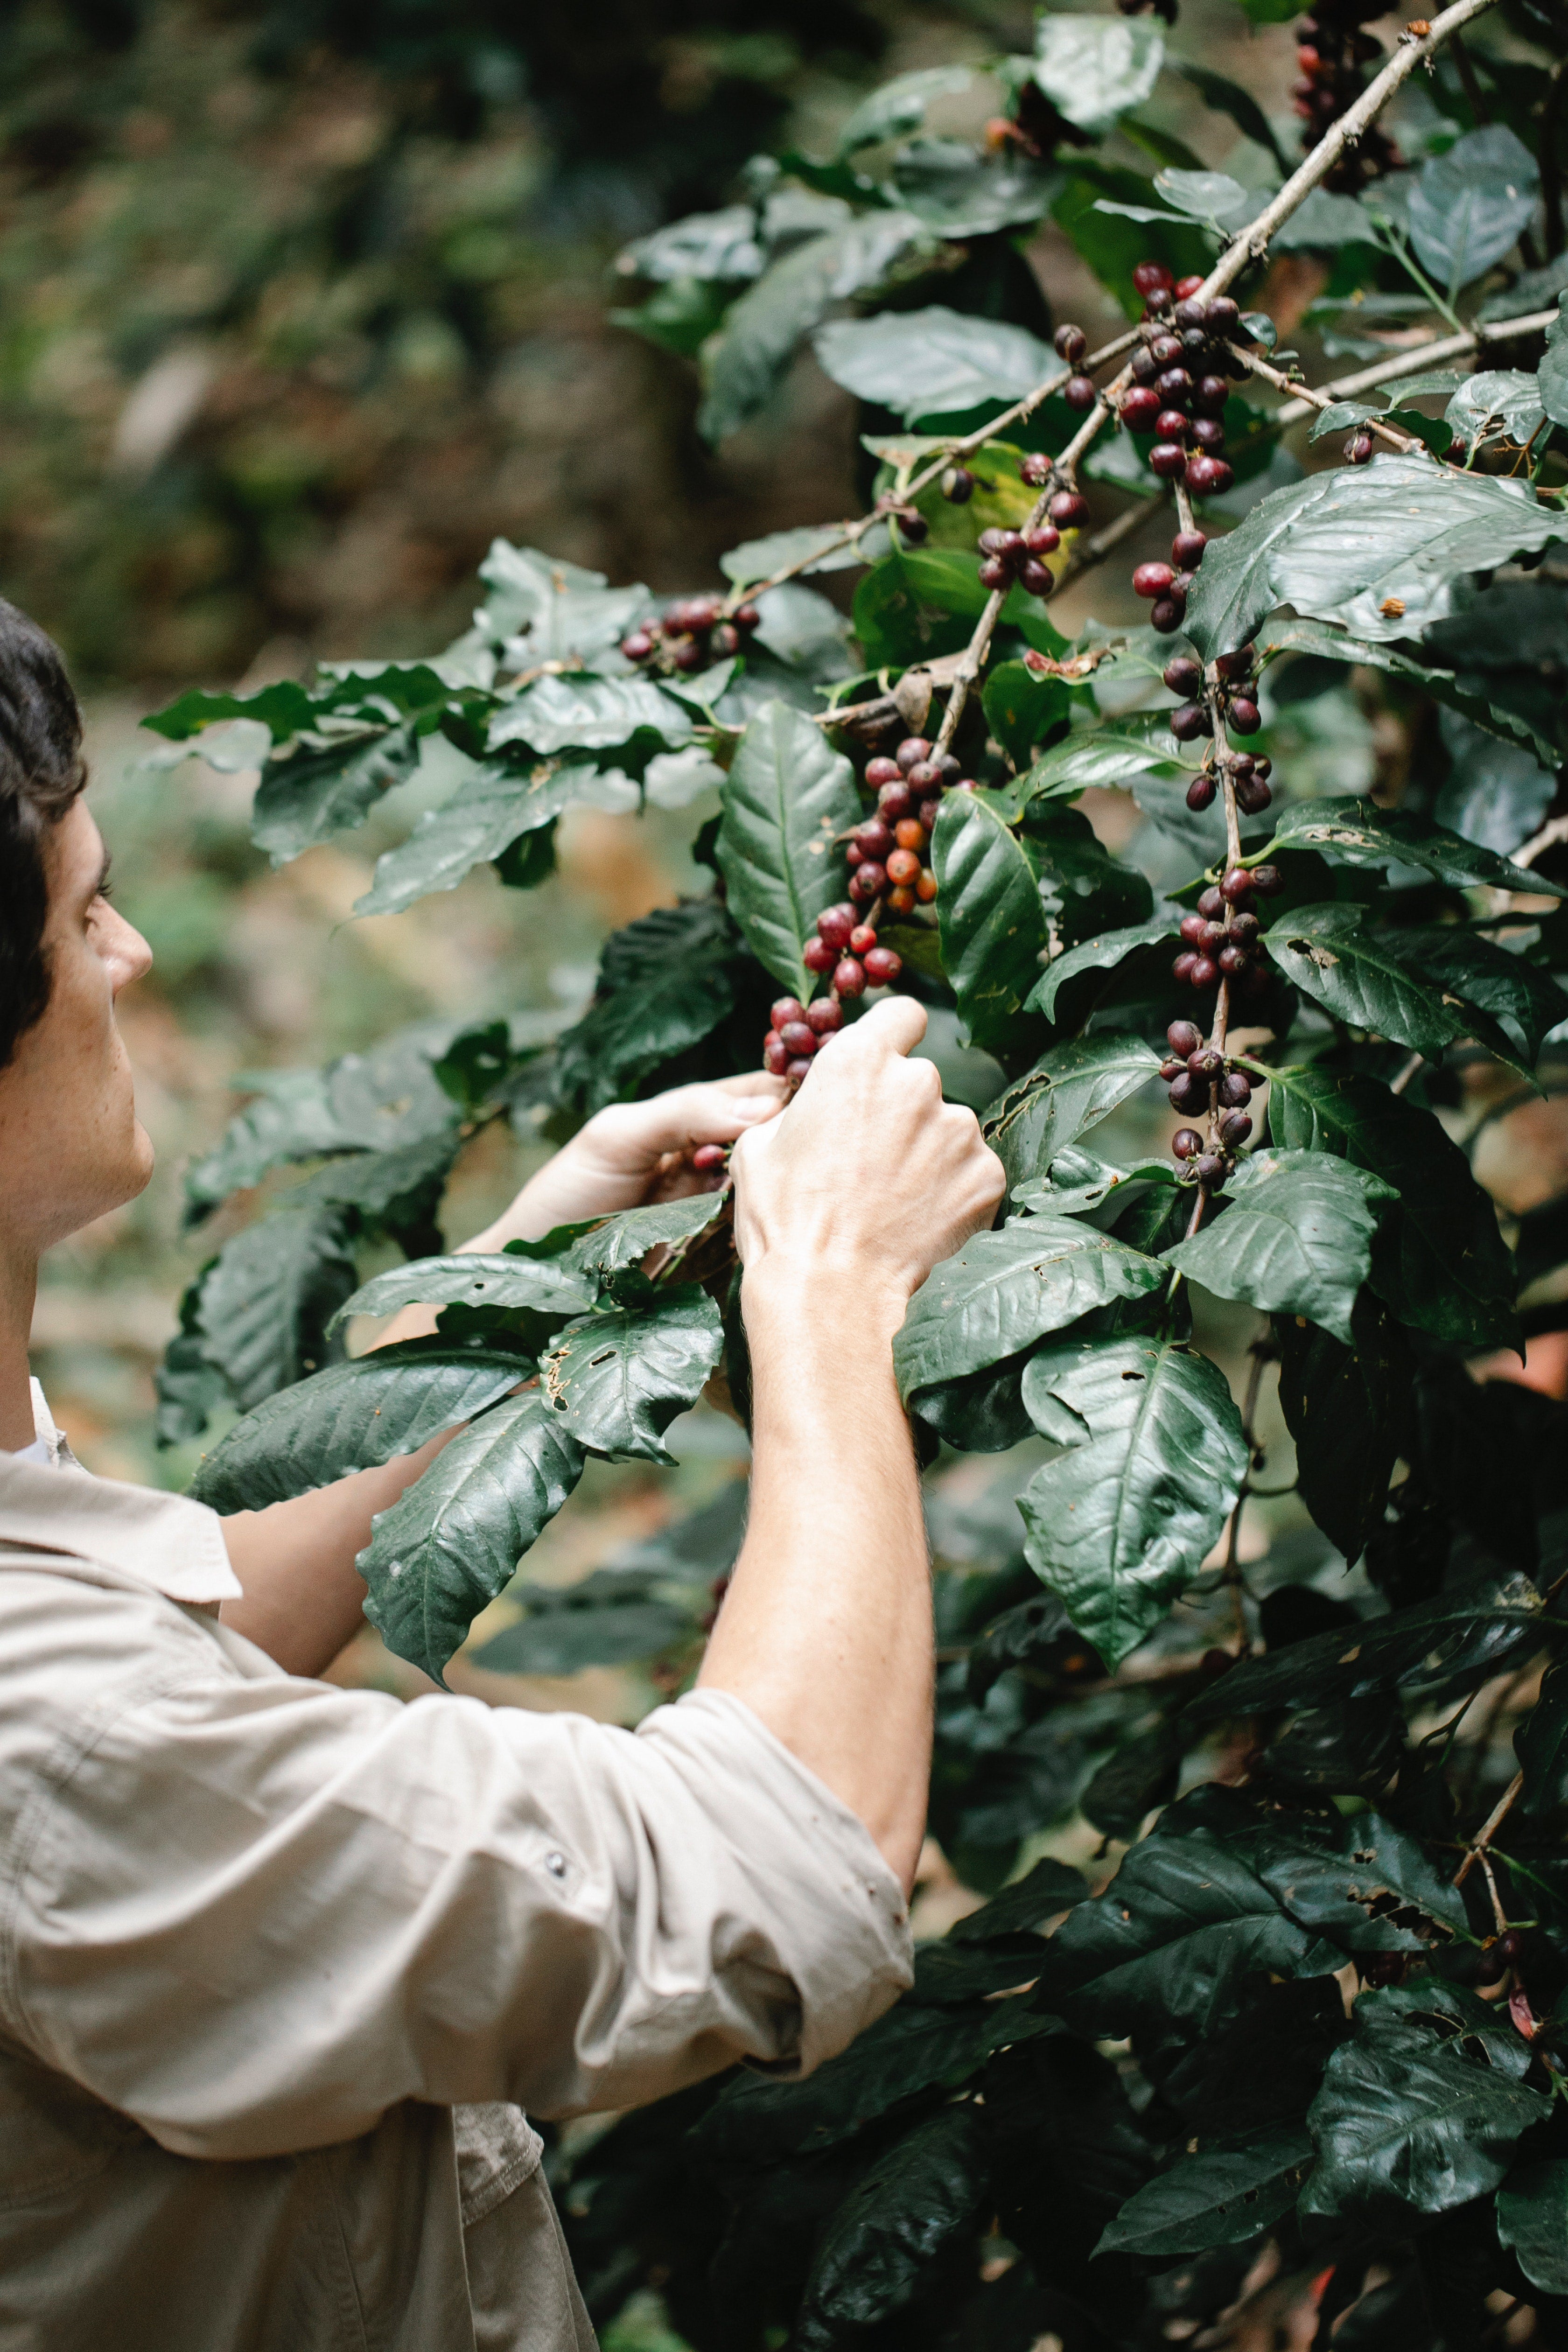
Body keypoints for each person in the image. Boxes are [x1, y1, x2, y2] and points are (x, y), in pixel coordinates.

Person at [0, 598, 1006, 2350]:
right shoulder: (51, 1746)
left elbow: (178, 1667)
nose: (133, 951)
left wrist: (538, 1280)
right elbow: (779, 1881)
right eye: (85, 907)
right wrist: (831, 1285)